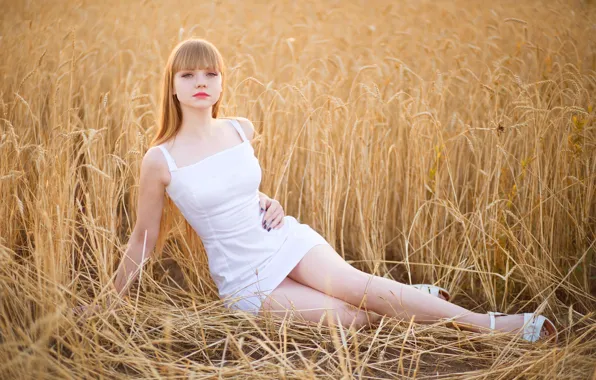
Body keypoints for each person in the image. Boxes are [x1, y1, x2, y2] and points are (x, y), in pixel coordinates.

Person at [75, 38, 557, 343]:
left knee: (362, 289)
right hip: (244, 279)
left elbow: (240, 188)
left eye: (210, 73)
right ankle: (411, 297)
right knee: (352, 317)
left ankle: (498, 326)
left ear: (221, 84)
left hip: (283, 239)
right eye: (188, 75)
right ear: (173, 87)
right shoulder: (160, 159)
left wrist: (268, 199)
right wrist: (105, 303)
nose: (201, 82)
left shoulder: (241, 129)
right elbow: (142, 240)